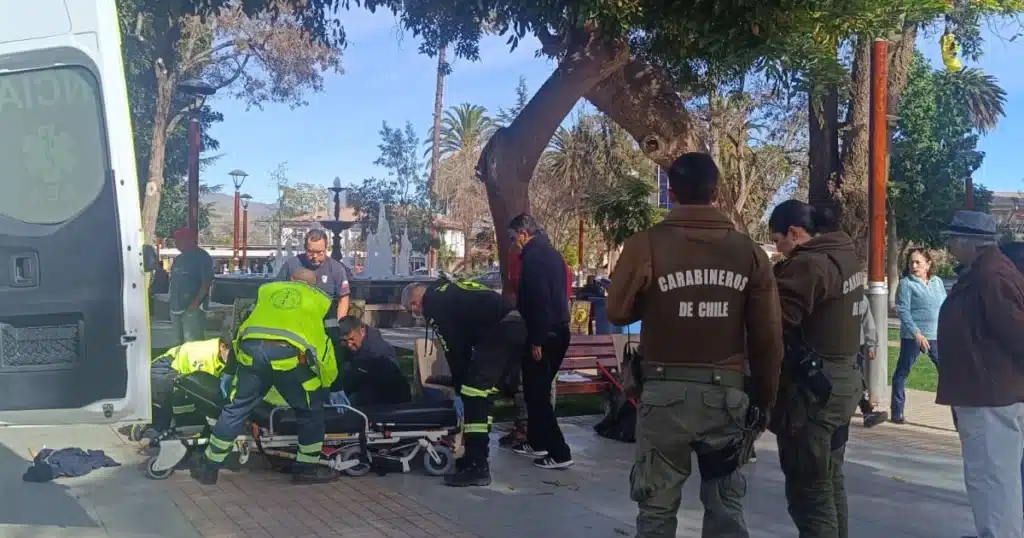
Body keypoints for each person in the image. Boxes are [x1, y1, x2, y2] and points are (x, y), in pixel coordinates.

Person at [607, 152, 784, 537]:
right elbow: (768, 337)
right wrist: (766, 399)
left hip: (663, 396)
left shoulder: (647, 244)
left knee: (656, 508)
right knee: (725, 508)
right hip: (727, 397)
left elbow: (617, 311)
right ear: (716, 192)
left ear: (671, 192)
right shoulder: (749, 252)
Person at [768, 199, 864, 538]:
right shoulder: (845, 256)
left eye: (778, 240)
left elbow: (773, 324)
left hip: (812, 395)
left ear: (794, 233)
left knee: (809, 493)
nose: (778, 250)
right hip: (841, 383)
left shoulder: (808, 265)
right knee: (830, 480)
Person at [191, 267, 338, 485]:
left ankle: (209, 466)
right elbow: (326, 342)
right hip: (288, 356)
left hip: (252, 352)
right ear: (312, 285)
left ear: (290, 280)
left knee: (237, 408)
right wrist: (328, 381)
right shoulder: (319, 300)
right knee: (310, 411)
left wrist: (230, 371)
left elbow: (240, 330)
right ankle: (306, 469)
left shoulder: (266, 292)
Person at [936, 211, 1024, 538]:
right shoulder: (984, 273)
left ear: (968, 242)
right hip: (984, 392)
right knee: (988, 478)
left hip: (991, 395)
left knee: (993, 480)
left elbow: (1018, 335)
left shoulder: (993, 278)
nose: (948, 245)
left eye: (952, 239)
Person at [400, 277, 527, 487]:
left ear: (415, 302)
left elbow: (454, 349)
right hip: (515, 327)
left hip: (501, 332)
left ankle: (477, 467)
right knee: (483, 395)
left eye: (411, 309)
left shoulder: (433, 303)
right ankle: (476, 456)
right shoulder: (448, 291)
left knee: (472, 392)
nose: (416, 313)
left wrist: (459, 388)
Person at [506, 213, 574, 470]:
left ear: (524, 234)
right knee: (537, 391)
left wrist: (536, 339)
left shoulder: (533, 258)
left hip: (545, 334)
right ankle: (537, 441)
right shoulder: (552, 254)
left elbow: (539, 301)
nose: (514, 243)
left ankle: (559, 451)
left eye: (514, 238)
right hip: (556, 330)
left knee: (537, 394)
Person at [891, 248, 946, 424]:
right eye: (911, 262)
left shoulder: (937, 282)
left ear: (928, 264)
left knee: (948, 373)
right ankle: (897, 413)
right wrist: (916, 333)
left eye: (918, 262)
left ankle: (959, 416)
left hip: (936, 336)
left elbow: (945, 306)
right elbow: (904, 311)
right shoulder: (906, 284)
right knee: (902, 373)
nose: (914, 266)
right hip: (912, 336)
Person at [333, 315, 411, 406]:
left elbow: (392, 385)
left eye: (351, 339)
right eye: (344, 341)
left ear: (362, 332)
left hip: (385, 399)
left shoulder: (379, 352)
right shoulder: (345, 349)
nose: (349, 344)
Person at [276, 229, 352, 320]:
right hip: (294, 320)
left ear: (326, 248)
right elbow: (277, 290)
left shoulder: (336, 269)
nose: (315, 256)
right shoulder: (291, 265)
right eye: (311, 252)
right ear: (305, 247)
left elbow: (343, 298)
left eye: (320, 252)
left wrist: (341, 324)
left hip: (324, 322)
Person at [168, 228, 214, 344]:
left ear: (190, 240)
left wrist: (196, 302)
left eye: (180, 239)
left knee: (192, 342)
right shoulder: (179, 258)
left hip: (193, 307)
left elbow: (206, 281)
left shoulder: (202, 257)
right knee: (177, 343)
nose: (176, 242)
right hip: (176, 307)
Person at [855, 297, 888, 428]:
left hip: (857, 346)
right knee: (854, 381)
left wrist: (871, 344)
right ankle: (867, 411)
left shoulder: (861, 298)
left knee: (856, 380)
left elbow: (868, 322)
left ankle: (867, 411)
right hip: (837, 346)